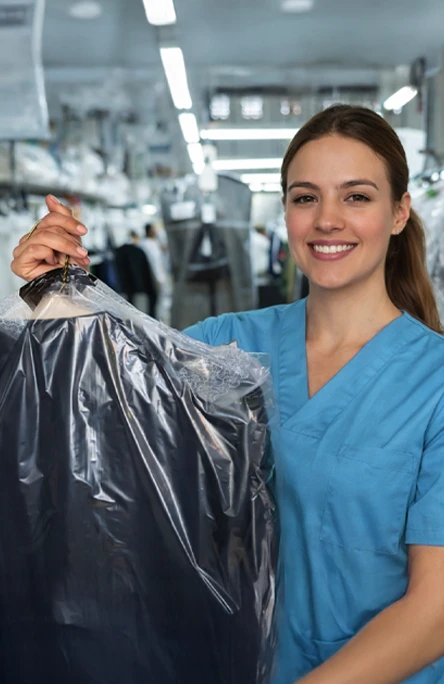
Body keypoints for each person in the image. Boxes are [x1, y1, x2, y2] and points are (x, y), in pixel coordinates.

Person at [10, 105, 444, 684]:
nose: (327, 220)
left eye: (357, 197)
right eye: (305, 197)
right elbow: (100, 412)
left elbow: (434, 612)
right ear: (286, 210)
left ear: (399, 213)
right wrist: (53, 292)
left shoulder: (434, 382)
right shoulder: (224, 347)